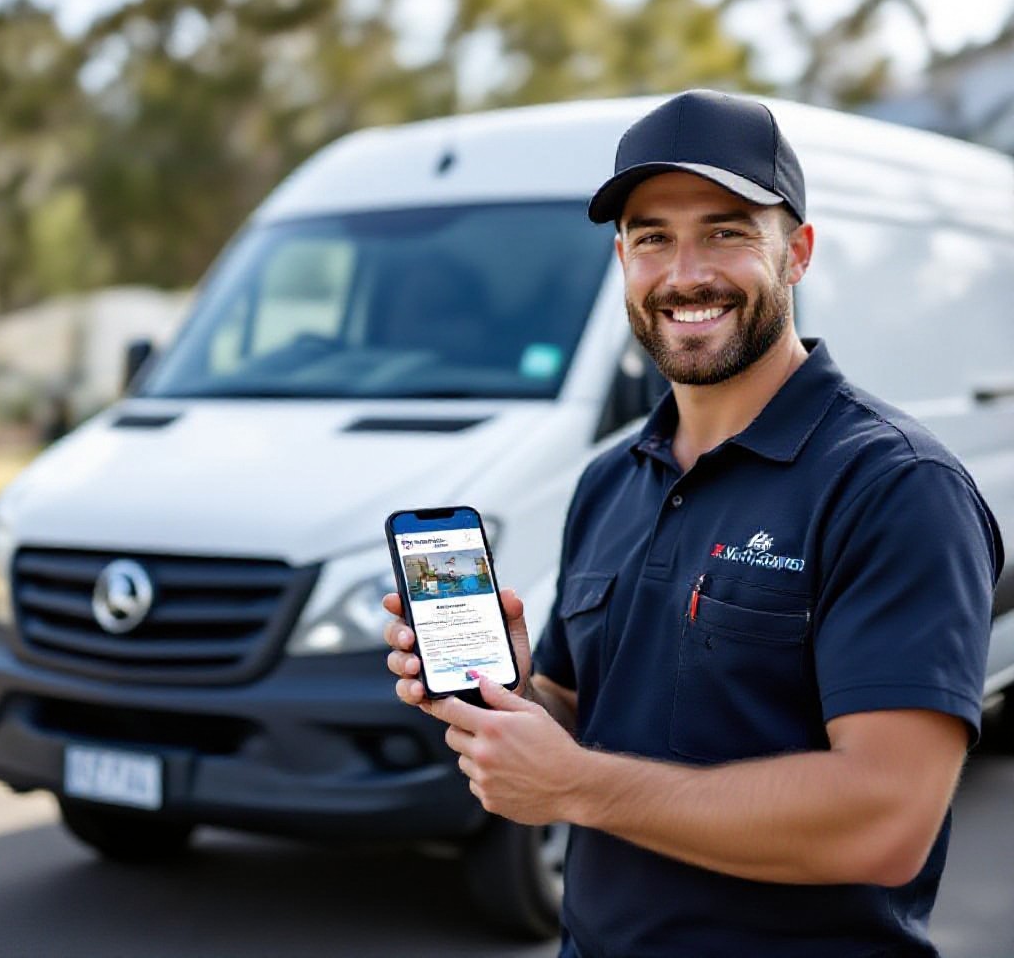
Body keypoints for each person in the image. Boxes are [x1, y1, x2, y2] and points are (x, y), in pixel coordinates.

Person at [383, 89, 1003, 958]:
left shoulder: (896, 486)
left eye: (726, 231)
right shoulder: (610, 480)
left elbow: (886, 820)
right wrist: (516, 698)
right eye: (652, 238)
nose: (685, 274)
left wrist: (579, 789)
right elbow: (577, 713)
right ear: (622, 262)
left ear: (798, 254)